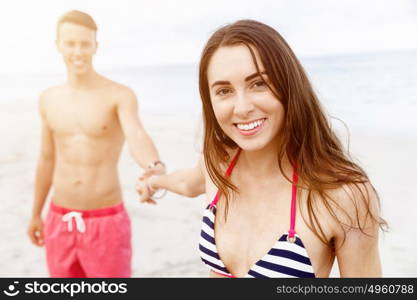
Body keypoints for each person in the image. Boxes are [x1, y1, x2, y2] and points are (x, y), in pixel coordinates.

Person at [136, 20, 387, 278]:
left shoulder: (343, 194)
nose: (242, 108)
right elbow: (189, 183)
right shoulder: (219, 162)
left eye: (258, 84)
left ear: (289, 85)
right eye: (224, 90)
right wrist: (154, 181)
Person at [27, 10, 165, 278]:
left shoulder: (119, 95)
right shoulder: (48, 98)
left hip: (106, 221)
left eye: (84, 43)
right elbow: (46, 158)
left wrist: (154, 166)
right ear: (58, 45)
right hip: (59, 217)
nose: (78, 51)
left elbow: (136, 134)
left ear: (95, 46)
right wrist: (36, 213)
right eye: (70, 43)